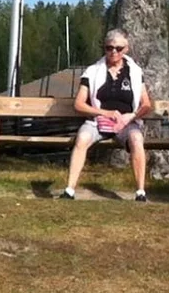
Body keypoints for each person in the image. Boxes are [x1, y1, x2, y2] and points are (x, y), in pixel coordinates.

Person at [60, 29, 155, 201]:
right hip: (97, 121)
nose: (113, 52)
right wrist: (104, 113)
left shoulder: (134, 72)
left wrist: (131, 116)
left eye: (118, 48)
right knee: (81, 138)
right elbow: (79, 104)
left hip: (126, 122)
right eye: (109, 48)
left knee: (136, 139)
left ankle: (140, 192)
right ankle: (69, 190)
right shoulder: (92, 71)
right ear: (104, 48)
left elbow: (146, 104)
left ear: (126, 49)